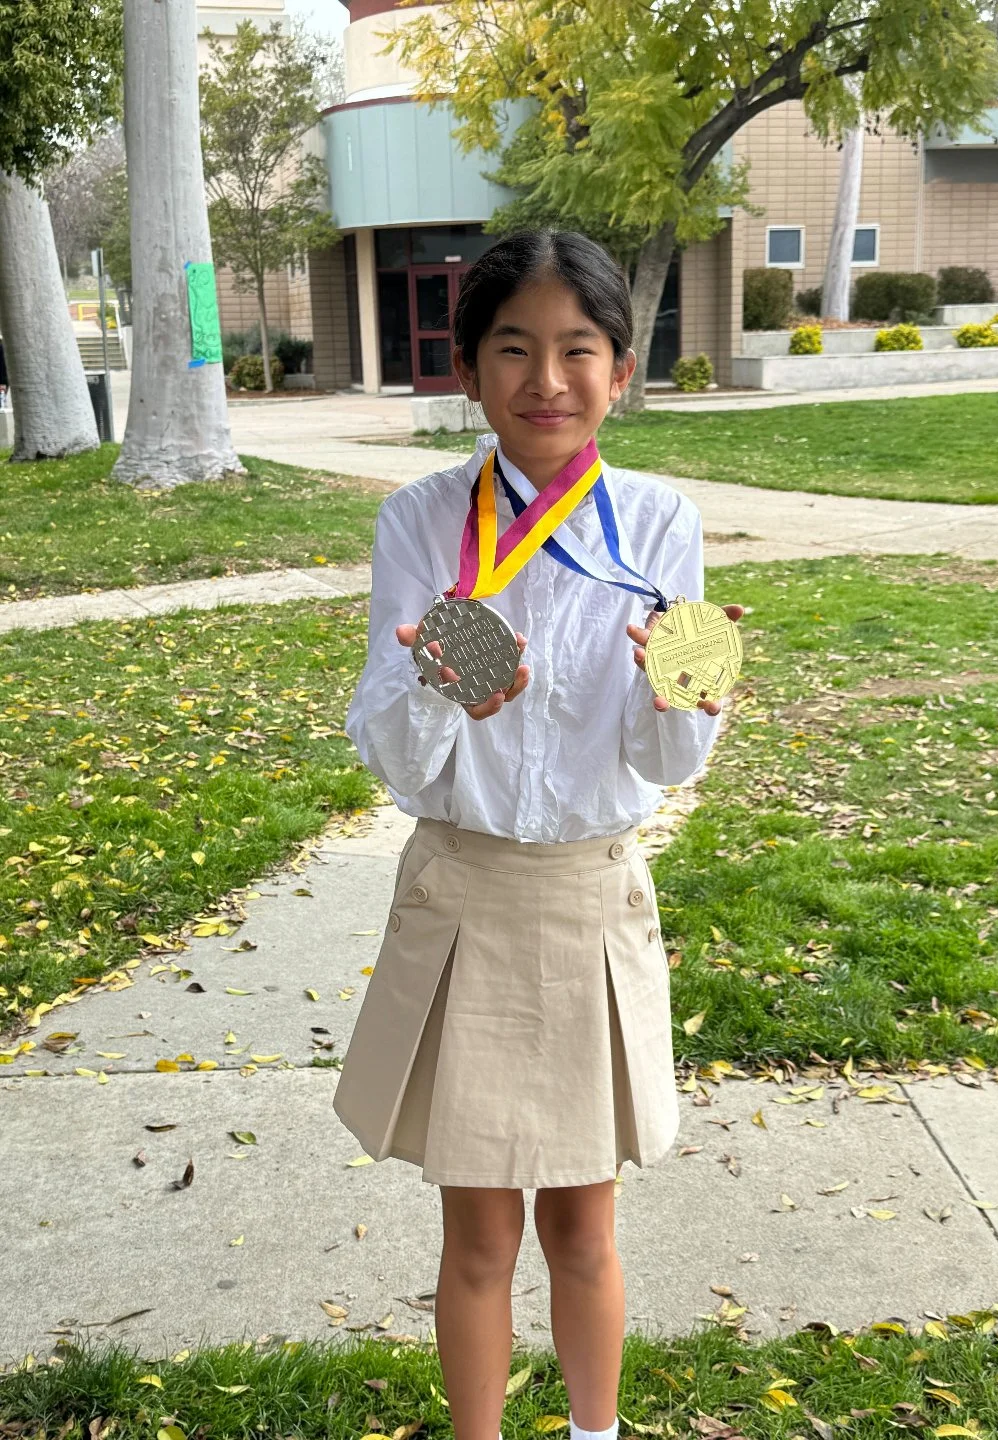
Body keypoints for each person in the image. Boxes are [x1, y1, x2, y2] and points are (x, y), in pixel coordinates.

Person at [333, 229, 742, 1440]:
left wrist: (686, 704)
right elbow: (394, 756)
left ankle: (594, 1435)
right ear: (469, 369)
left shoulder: (661, 523)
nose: (545, 380)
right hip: (463, 897)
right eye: (513, 347)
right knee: (476, 1237)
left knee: (583, 1229)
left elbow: (660, 763)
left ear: (623, 372)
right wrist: (445, 688)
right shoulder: (419, 520)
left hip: (586, 902)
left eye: (579, 350)